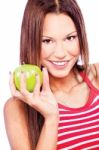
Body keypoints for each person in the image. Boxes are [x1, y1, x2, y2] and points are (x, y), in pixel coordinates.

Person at [4, 0, 99, 149]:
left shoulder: (97, 75)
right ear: (30, 42)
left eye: (70, 38)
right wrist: (51, 118)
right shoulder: (17, 107)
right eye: (47, 41)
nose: (60, 53)